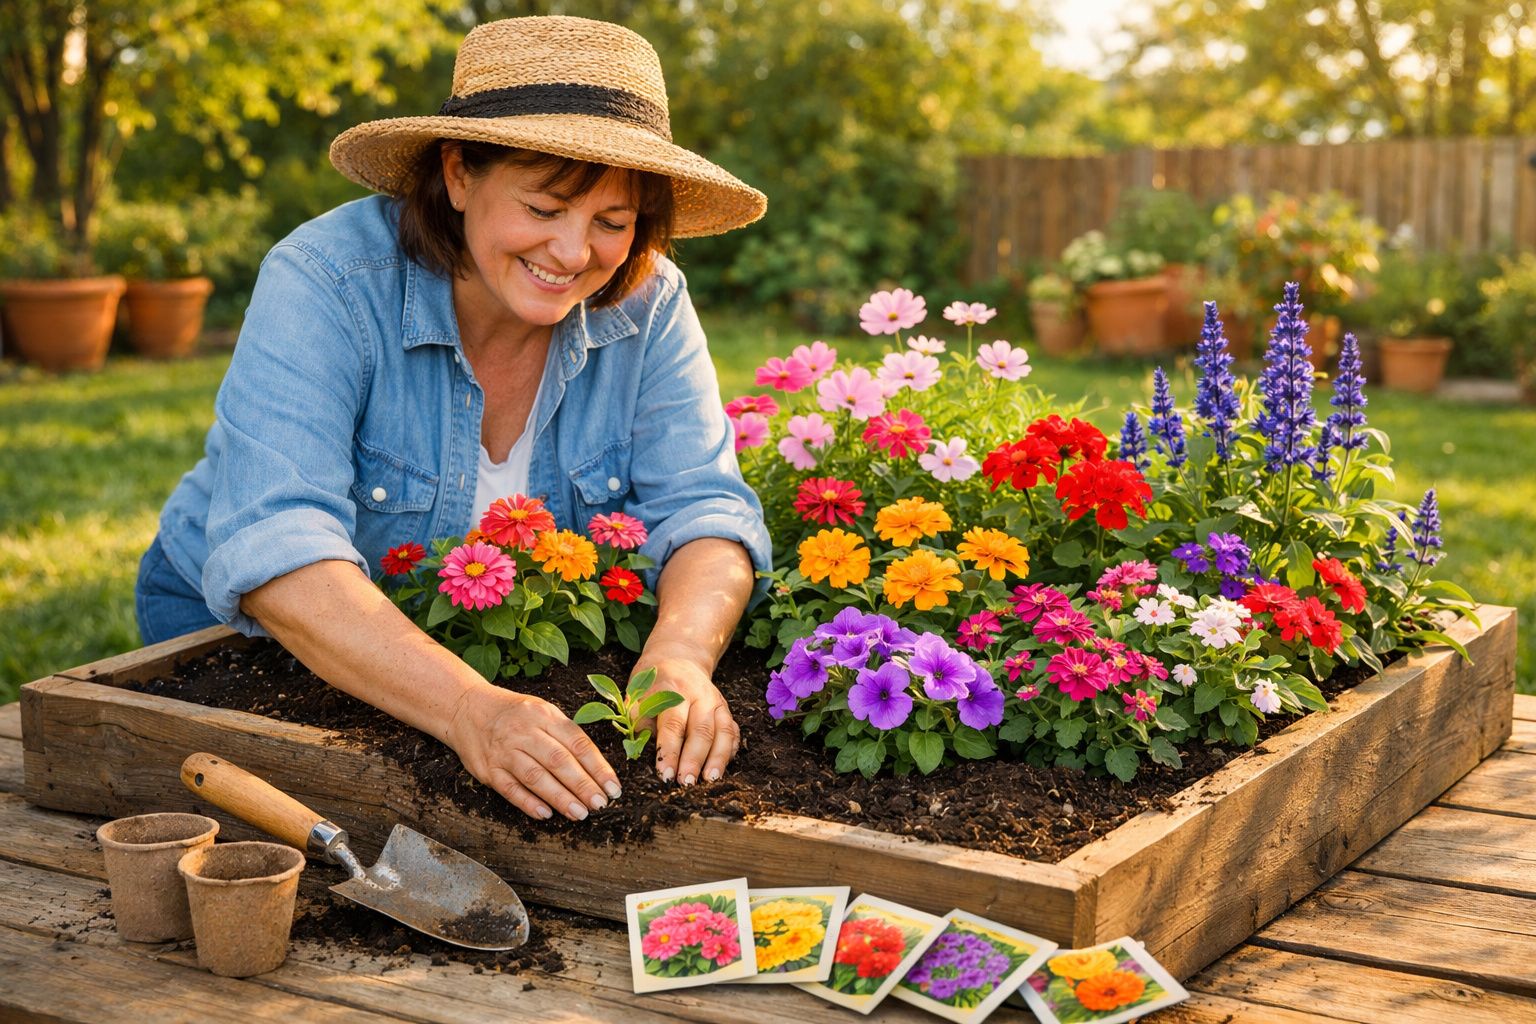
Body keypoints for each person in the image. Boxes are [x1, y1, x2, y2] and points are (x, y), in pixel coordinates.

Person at [135, 16, 771, 824]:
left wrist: (677, 655)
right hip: (254, 638)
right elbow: (278, 545)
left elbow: (705, 507)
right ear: (459, 173)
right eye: (545, 207)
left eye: (612, 222)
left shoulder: (651, 305)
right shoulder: (326, 280)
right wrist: (470, 708)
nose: (573, 252)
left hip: (467, 664)